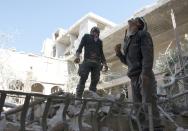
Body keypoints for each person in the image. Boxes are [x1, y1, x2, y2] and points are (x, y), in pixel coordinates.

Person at [115, 17, 163, 131]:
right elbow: (128, 62)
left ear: (139, 25)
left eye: (136, 20)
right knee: (138, 106)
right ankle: (144, 128)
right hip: (134, 77)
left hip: (143, 75)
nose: (132, 21)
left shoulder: (143, 35)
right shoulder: (128, 41)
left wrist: (145, 73)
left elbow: (148, 55)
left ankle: (156, 128)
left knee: (148, 103)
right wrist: (118, 53)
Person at [74, 27, 108, 99]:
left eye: (97, 32)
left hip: (97, 63)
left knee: (95, 80)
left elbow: (101, 53)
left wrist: (105, 63)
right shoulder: (86, 36)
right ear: (91, 32)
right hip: (87, 61)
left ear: (98, 33)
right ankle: (78, 97)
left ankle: (91, 97)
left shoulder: (99, 41)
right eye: (94, 31)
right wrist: (77, 56)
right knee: (83, 77)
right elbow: (80, 47)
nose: (95, 33)